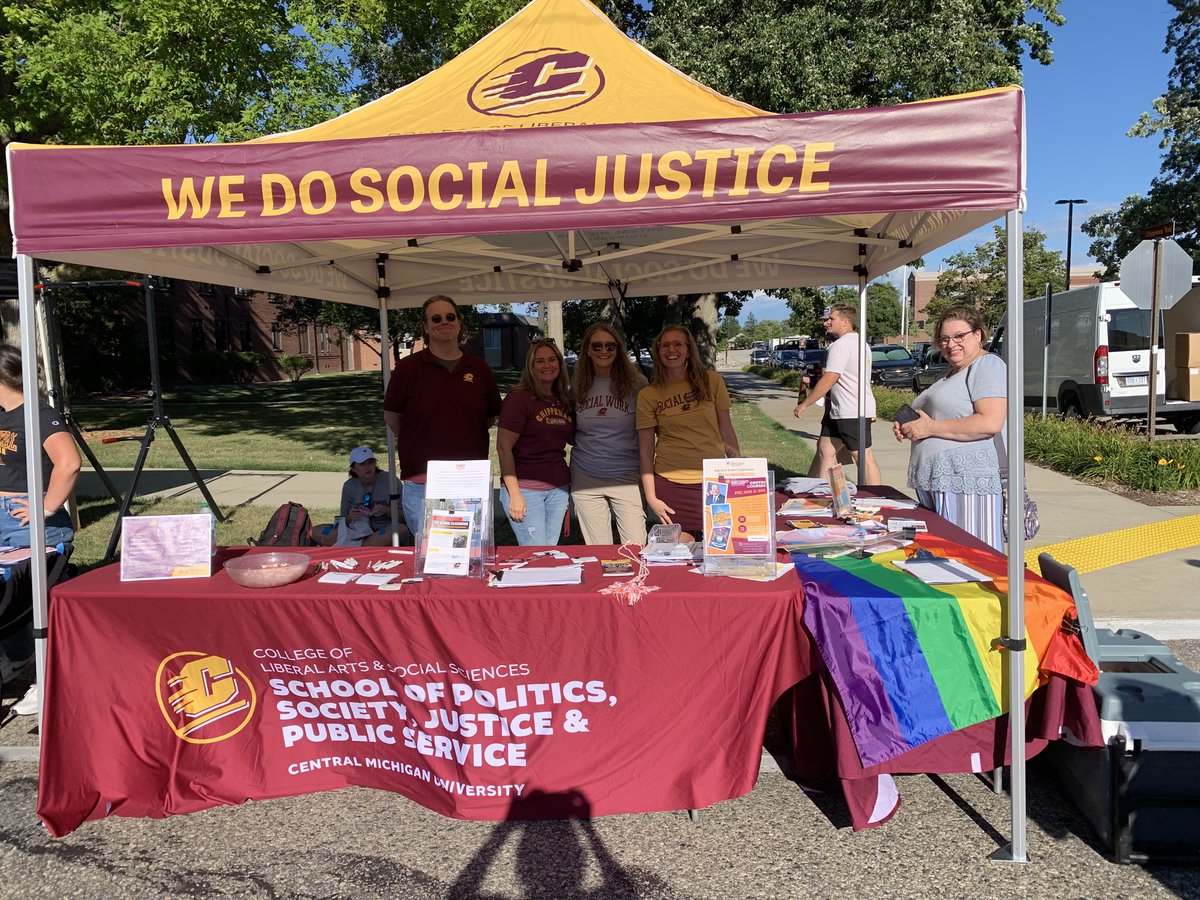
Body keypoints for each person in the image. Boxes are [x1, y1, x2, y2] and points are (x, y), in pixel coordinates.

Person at [0, 344, 81, 716]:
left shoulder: (37, 415)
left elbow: (69, 463)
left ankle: (44, 679)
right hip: (5, 519)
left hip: (27, 522)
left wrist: (46, 507)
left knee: (33, 602)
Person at [383, 296, 501, 542]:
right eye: (436, 318)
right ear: (425, 327)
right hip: (422, 480)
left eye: (450, 317)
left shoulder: (480, 369)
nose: (444, 322)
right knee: (430, 554)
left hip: (469, 480)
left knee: (470, 553)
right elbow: (393, 417)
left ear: (459, 322)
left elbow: (489, 417)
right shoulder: (408, 368)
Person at [892, 306, 1007, 551]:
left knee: (972, 558)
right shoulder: (952, 372)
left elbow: (990, 422)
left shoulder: (987, 366)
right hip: (940, 483)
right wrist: (911, 426)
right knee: (947, 558)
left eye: (959, 336)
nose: (950, 344)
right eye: (944, 339)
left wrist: (929, 428)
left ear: (978, 335)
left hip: (967, 482)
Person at [637, 326, 740, 535]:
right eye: (664, 345)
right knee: (680, 553)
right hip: (671, 482)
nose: (670, 349)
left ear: (689, 350)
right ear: (657, 351)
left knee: (721, 542)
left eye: (678, 344)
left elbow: (726, 431)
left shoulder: (712, 381)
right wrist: (651, 497)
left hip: (714, 480)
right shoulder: (648, 394)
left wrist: (739, 472)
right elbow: (646, 450)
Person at [570, 323, 648, 546]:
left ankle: (634, 583)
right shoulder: (577, 384)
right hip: (585, 476)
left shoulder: (638, 384)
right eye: (597, 346)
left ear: (619, 350)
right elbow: (570, 427)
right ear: (587, 350)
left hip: (627, 477)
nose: (603, 351)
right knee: (599, 551)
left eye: (610, 346)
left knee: (635, 548)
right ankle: (605, 584)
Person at [497, 338, 575, 546]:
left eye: (552, 360)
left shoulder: (563, 399)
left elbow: (573, 437)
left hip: (558, 487)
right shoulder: (519, 398)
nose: (547, 365)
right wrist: (514, 494)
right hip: (525, 488)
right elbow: (503, 448)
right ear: (531, 367)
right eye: (540, 361)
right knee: (535, 552)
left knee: (549, 550)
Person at [793, 304, 881, 483]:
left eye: (831, 319)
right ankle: (827, 495)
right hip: (839, 411)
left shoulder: (840, 346)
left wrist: (805, 403)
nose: (826, 323)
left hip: (852, 411)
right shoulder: (859, 342)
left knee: (863, 458)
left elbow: (829, 378)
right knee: (826, 451)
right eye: (826, 319)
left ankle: (875, 498)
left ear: (846, 321)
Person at [311, 446, 408, 547]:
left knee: (398, 530)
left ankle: (354, 547)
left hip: (384, 530)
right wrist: (350, 517)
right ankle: (362, 546)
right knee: (316, 531)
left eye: (371, 462)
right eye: (362, 464)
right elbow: (342, 521)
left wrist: (386, 510)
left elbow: (405, 517)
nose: (368, 467)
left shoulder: (390, 480)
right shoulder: (349, 486)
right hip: (357, 531)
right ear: (353, 468)